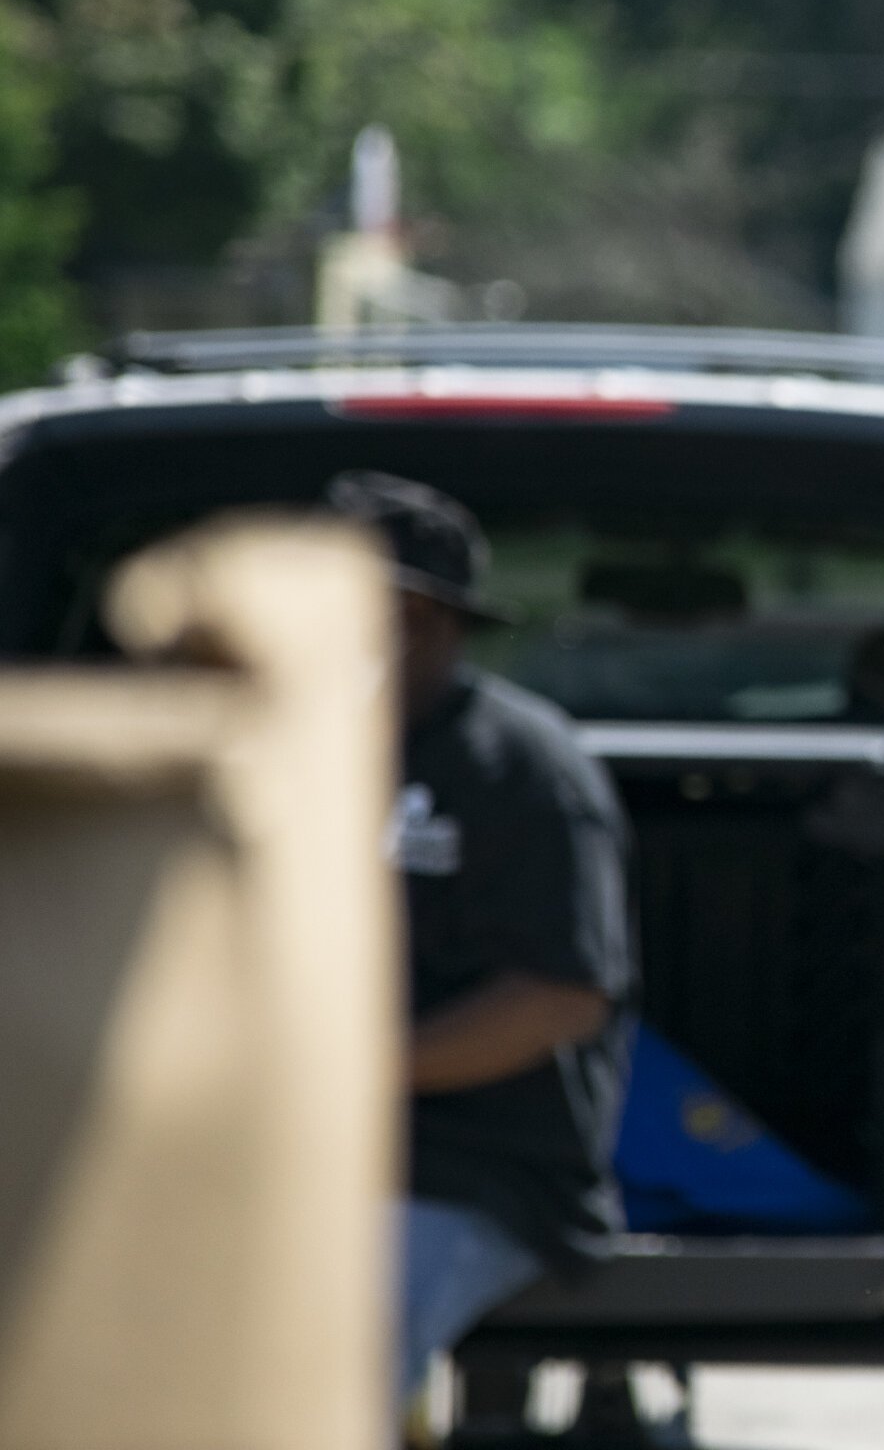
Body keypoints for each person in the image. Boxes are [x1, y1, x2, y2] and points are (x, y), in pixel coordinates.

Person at [331, 473, 636, 1407]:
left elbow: (563, 995)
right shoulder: (278, 752)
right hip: (279, 1152)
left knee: (335, 1348)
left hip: (476, 1171)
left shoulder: (520, 766)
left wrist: (352, 1072)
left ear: (424, 619)